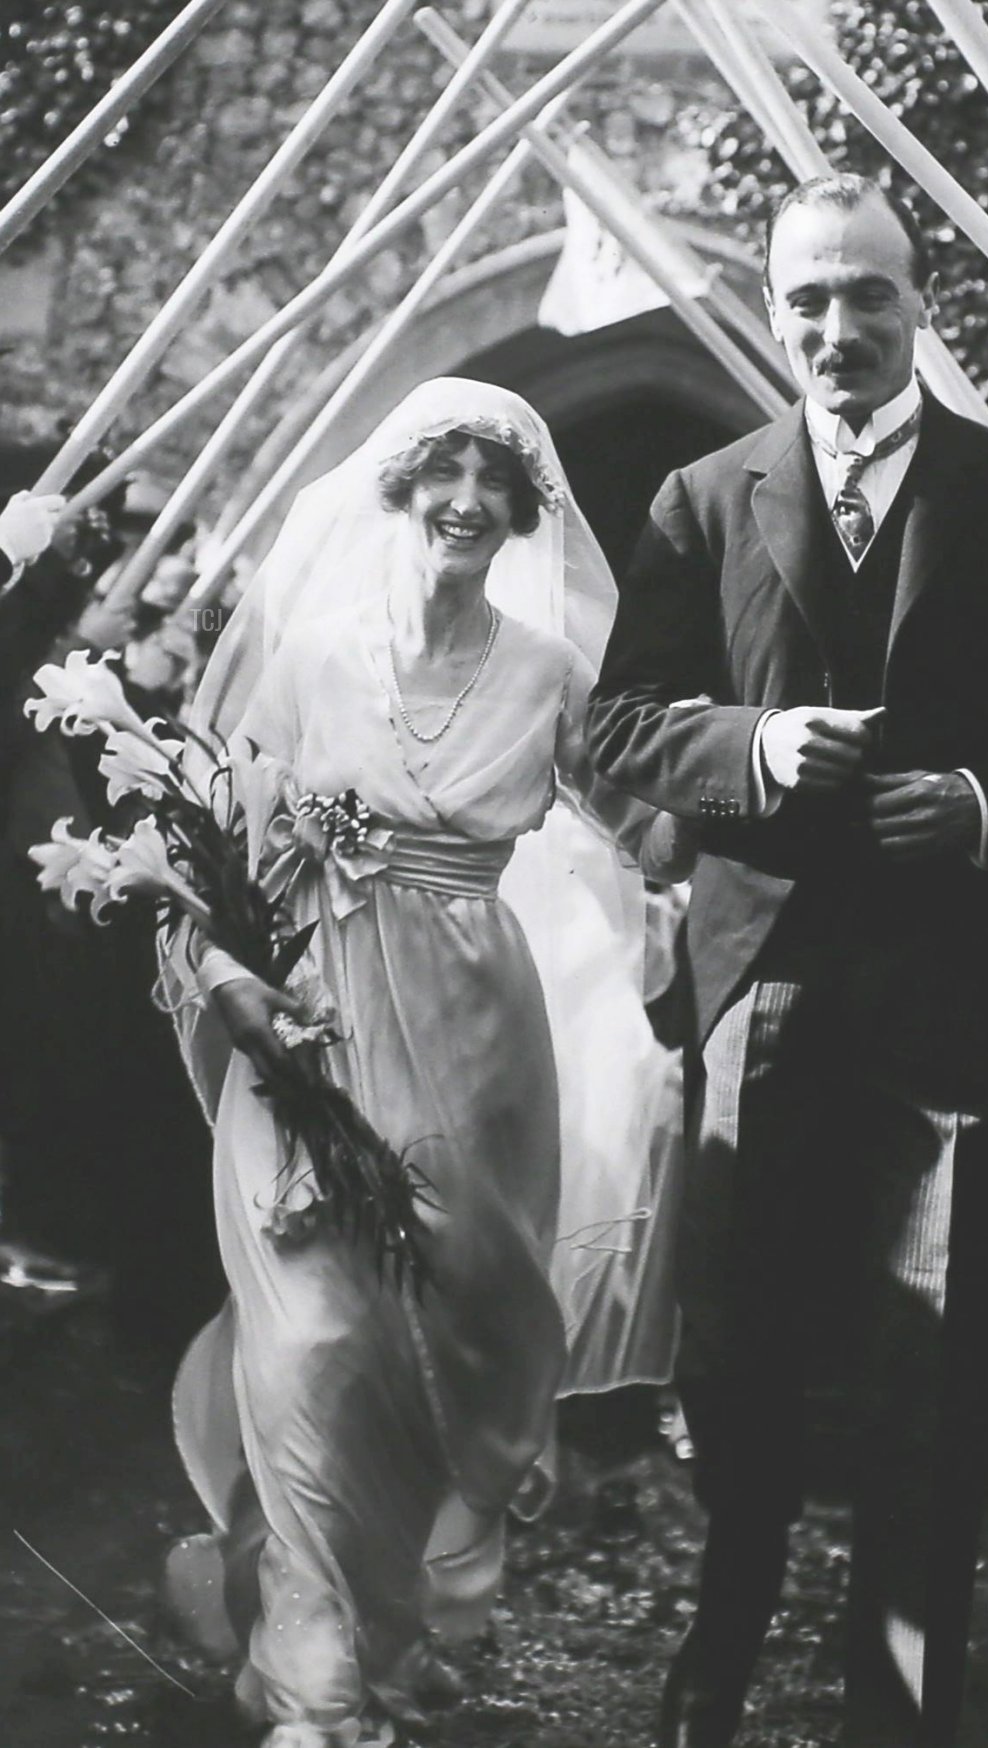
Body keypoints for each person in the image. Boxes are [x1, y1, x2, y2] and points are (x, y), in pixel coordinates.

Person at [587, 173, 988, 1748]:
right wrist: (754, 742)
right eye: (812, 300)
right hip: (757, 991)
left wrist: (984, 803)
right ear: (775, 316)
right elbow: (621, 717)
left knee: (933, 1363)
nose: (841, 326)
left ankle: (902, 1700)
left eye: (871, 295)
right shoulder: (704, 500)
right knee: (742, 1351)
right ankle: (719, 1663)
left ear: (922, 307)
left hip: (950, 1002)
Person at [159, 378, 684, 1748]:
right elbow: (205, 847)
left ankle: (382, 1634)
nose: (463, 495)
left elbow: (657, 829)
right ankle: (317, 1684)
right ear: (398, 492)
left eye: (491, 477)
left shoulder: (554, 676)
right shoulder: (314, 656)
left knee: (442, 1346)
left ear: (522, 513)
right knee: (319, 1339)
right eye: (439, 468)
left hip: (473, 1039)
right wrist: (226, 976)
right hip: (310, 1028)